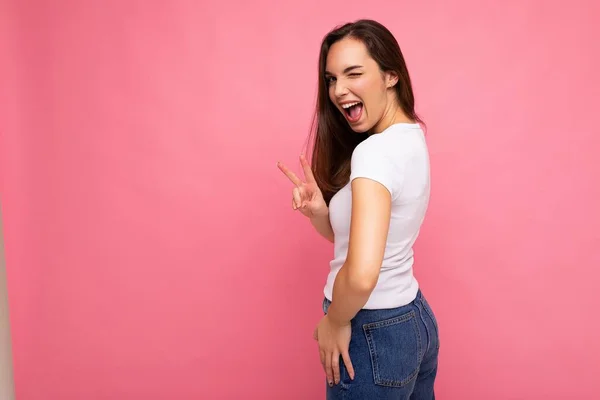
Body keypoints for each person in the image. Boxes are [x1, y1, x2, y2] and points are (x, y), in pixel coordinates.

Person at [277, 19, 440, 399]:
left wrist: (334, 321)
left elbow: (363, 273)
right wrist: (323, 210)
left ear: (391, 76)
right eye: (332, 78)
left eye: (354, 73)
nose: (338, 90)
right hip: (412, 319)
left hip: (371, 330)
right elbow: (360, 240)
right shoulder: (409, 137)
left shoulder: (374, 153)